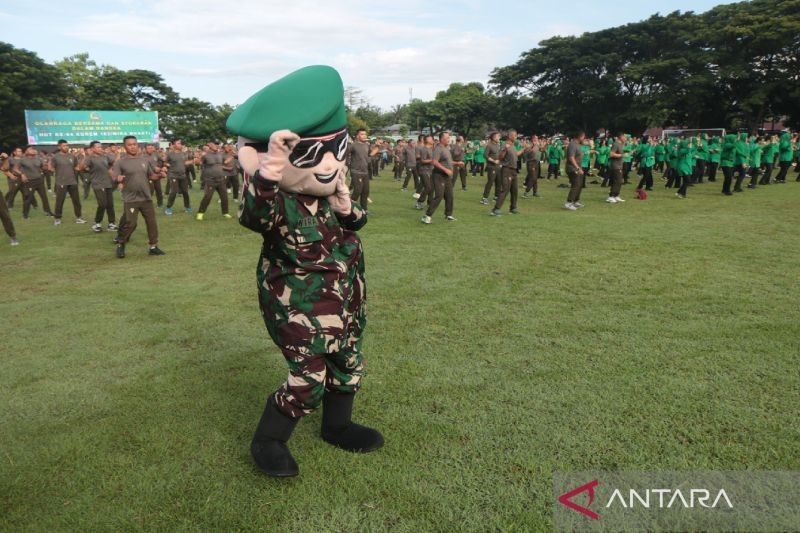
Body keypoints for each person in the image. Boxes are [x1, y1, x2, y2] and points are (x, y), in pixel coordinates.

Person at [227, 65, 382, 478]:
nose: (329, 166)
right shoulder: (280, 202)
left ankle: (338, 427)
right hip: (299, 308)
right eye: (314, 155)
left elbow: (354, 226)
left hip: (347, 302)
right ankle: (270, 440)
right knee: (308, 377)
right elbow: (254, 216)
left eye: (336, 150)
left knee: (349, 364)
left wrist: (350, 210)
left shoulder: (332, 197)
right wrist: (270, 171)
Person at [110, 136, 167, 258]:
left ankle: (153, 247)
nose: (133, 146)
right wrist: (117, 179)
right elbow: (114, 177)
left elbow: (151, 176)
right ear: (124, 147)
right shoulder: (120, 162)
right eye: (130, 144)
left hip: (146, 197)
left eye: (135, 144)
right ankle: (121, 244)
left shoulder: (144, 160)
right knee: (131, 223)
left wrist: (160, 176)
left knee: (151, 223)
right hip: (131, 199)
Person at [79, 141, 118, 233]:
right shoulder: (90, 158)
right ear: (92, 148)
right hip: (98, 184)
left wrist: (117, 154)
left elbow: (114, 163)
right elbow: (81, 168)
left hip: (108, 183)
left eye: (101, 147)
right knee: (102, 204)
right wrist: (84, 157)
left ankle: (111, 224)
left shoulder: (105, 156)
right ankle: (97, 223)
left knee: (110, 205)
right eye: (98, 147)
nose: (101, 148)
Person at [421, 131, 455, 223]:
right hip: (439, 175)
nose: (449, 139)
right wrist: (446, 170)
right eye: (447, 138)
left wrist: (457, 163)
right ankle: (427, 216)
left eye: (449, 137)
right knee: (439, 196)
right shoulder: (438, 148)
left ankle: (448, 214)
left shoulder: (446, 148)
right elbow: (434, 162)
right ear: (441, 139)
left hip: (446, 176)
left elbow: (447, 162)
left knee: (449, 196)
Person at [50, 140, 85, 225]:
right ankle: (57, 218)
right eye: (64, 146)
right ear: (59, 147)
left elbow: (77, 168)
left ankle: (78, 217)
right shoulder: (56, 157)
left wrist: (83, 158)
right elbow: (51, 168)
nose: (66, 147)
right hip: (61, 182)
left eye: (67, 145)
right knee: (60, 201)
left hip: (72, 182)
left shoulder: (72, 156)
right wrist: (57, 172)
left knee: (76, 201)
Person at [195, 140, 232, 220]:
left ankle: (225, 213)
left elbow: (224, 163)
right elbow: (198, 163)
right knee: (207, 197)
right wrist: (198, 158)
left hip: (221, 179)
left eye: (218, 144)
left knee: (224, 197)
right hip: (210, 180)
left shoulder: (220, 154)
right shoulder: (205, 155)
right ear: (210, 145)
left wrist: (231, 158)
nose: (217, 145)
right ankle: (200, 213)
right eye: (215, 144)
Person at [14, 147, 54, 219]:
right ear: (27, 151)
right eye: (31, 149)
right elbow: (15, 169)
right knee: (28, 198)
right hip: (29, 182)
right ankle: (25, 214)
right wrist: (22, 174)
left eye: (33, 149)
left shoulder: (38, 159)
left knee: (44, 197)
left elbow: (44, 168)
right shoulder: (23, 160)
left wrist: (47, 165)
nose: (33, 150)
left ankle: (48, 212)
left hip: (39, 181)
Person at [491, 129, 523, 216]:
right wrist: (505, 150)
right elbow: (500, 157)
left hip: (514, 170)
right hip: (507, 170)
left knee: (515, 190)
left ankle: (513, 208)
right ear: (510, 136)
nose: (516, 137)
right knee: (505, 189)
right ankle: (496, 209)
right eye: (515, 135)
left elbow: (515, 154)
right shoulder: (505, 145)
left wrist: (524, 149)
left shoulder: (513, 145)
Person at [348, 129, 375, 211]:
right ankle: (349, 208)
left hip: (365, 172)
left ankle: (364, 210)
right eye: (362, 134)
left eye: (365, 134)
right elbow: (345, 154)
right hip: (356, 171)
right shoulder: (353, 145)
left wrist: (378, 147)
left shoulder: (366, 145)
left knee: (365, 191)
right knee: (357, 191)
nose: (364, 136)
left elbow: (370, 155)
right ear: (357, 136)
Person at [164, 138, 193, 215]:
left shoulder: (183, 154)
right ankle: (168, 208)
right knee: (173, 191)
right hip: (173, 175)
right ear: (173, 145)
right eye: (178, 143)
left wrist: (192, 161)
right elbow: (165, 162)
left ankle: (187, 207)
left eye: (180, 143)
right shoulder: (170, 154)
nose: (180, 144)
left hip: (183, 175)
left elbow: (185, 162)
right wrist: (167, 165)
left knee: (185, 192)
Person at [565, 132, 586, 211]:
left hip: (578, 168)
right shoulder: (572, 144)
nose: (584, 138)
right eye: (583, 137)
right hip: (572, 168)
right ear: (580, 137)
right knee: (576, 184)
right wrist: (577, 168)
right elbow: (571, 157)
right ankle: (569, 202)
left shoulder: (577, 145)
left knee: (580, 184)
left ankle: (576, 201)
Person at [413, 135, 434, 210]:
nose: (433, 139)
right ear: (427, 140)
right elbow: (422, 160)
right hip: (424, 170)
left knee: (431, 188)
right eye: (431, 138)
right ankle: (419, 202)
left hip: (431, 170)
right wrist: (432, 160)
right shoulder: (424, 149)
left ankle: (430, 203)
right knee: (428, 187)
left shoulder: (431, 149)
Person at [480, 132, 501, 205]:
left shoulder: (498, 145)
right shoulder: (489, 145)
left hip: (498, 167)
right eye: (498, 136)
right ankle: (484, 198)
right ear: (494, 137)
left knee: (499, 182)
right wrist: (493, 161)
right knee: (490, 182)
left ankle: (496, 196)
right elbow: (485, 155)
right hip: (491, 167)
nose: (499, 138)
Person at [607, 132, 625, 203]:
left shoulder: (621, 145)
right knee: (617, 181)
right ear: (620, 137)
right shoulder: (615, 144)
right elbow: (611, 154)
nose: (625, 138)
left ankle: (616, 195)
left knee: (619, 181)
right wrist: (621, 155)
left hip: (619, 165)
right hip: (615, 166)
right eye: (624, 137)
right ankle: (611, 196)